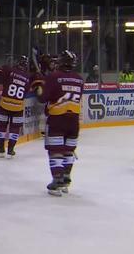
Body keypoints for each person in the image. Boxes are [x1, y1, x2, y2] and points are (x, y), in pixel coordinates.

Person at [38, 50, 84, 196]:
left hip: (57, 119)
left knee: (55, 150)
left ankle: (57, 179)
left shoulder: (54, 76)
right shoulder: (79, 79)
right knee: (68, 150)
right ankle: (66, 178)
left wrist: (39, 88)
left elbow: (43, 98)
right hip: (74, 121)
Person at [0, 55, 34, 158]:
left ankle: (1, 148)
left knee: (1, 126)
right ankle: (11, 150)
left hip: (5, 104)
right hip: (18, 106)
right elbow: (26, 91)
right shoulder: (28, 78)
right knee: (14, 128)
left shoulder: (9, 70)